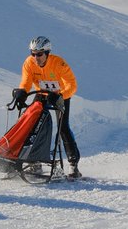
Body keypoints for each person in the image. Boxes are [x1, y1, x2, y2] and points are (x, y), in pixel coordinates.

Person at [10, 35, 81, 179]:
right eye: (33, 54)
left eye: (40, 54)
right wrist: (21, 92)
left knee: (63, 127)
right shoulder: (29, 63)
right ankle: (34, 160)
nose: (36, 57)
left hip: (60, 96)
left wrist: (61, 94)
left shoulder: (59, 63)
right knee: (31, 123)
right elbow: (25, 82)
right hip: (42, 94)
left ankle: (73, 164)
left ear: (47, 53)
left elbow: (72, 85)